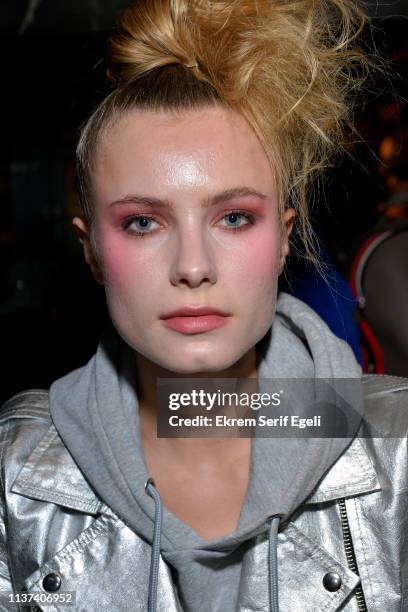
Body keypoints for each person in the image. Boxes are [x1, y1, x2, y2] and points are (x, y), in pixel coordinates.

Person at [1, 1, 407, 611]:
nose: (193, 266)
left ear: (284, 240)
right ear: (91, 251)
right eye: (143, 222)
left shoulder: (398, 456)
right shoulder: (15, 479)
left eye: (234, 217)